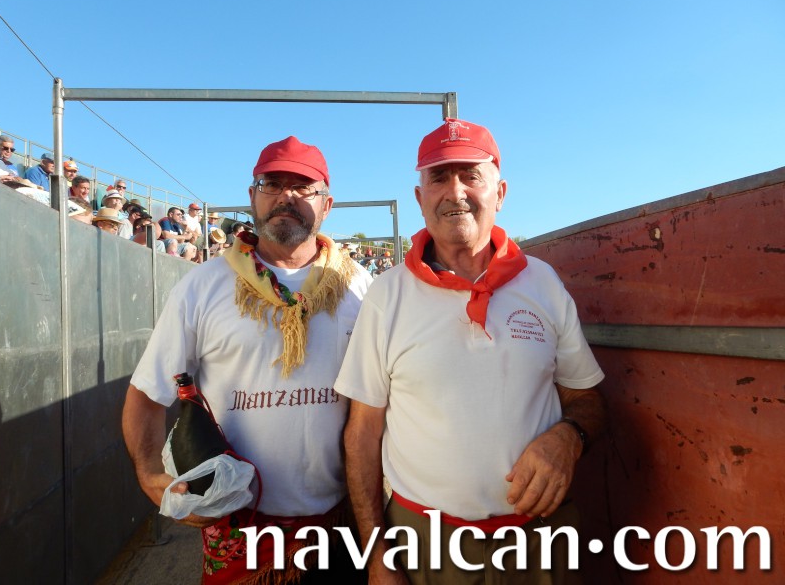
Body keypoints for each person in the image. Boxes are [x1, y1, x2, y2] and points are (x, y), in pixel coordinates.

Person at [336, 118, 607, 584]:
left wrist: (569, 437)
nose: (455, 191)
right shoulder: (387, 295)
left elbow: (587, 399)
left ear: (500, 193)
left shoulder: (542, 283)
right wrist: (375, 554)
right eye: (439, 177)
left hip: (541, 541)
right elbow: (362, 433)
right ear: (420, 198)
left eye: (471, 175)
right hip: (425, 547)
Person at [122, 135, 372, 583]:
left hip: (340, 520)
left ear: (327, 204)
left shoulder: (358, 286)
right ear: (252, 196)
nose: (286, 197)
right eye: (272, 184)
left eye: (303, 187)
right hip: (237, 524)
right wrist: (149, 476)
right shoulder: (204, 286)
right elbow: (147, 392)